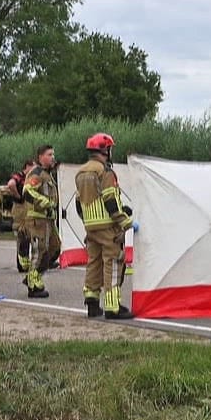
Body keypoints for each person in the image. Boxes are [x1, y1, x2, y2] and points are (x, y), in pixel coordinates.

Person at [76, 132, 134, 319]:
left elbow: (79, 202)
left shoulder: (81, 172)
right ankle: (112, 306)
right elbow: (110, 199)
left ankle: (92, 304)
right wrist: (124, 221)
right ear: (105, 150)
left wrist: (87, 221)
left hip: (90, 226)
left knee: (94, 262)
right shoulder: (106, 172)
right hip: (108, 225)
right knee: (114, 261)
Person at [20, 145, 61, 298]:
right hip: (37, 219)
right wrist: (46, 202)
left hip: (48, 219)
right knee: (40, 250)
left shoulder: (47, 174)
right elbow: (27, 191)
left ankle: (34, 276)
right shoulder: (36, 173)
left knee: (55, 248)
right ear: (40, 157)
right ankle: (33, 285)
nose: (52, 157)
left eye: (53, 154)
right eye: (49, 154)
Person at [6, 158, 35, 272]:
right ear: (27, 166)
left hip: (27, 207)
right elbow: (11, 184)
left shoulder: (30, 178)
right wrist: (18, 196)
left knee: (28, 235)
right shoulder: (19, 176)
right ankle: (21, 264)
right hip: (20, 208)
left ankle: (26, 262)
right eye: (32, 167)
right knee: (22, 234)